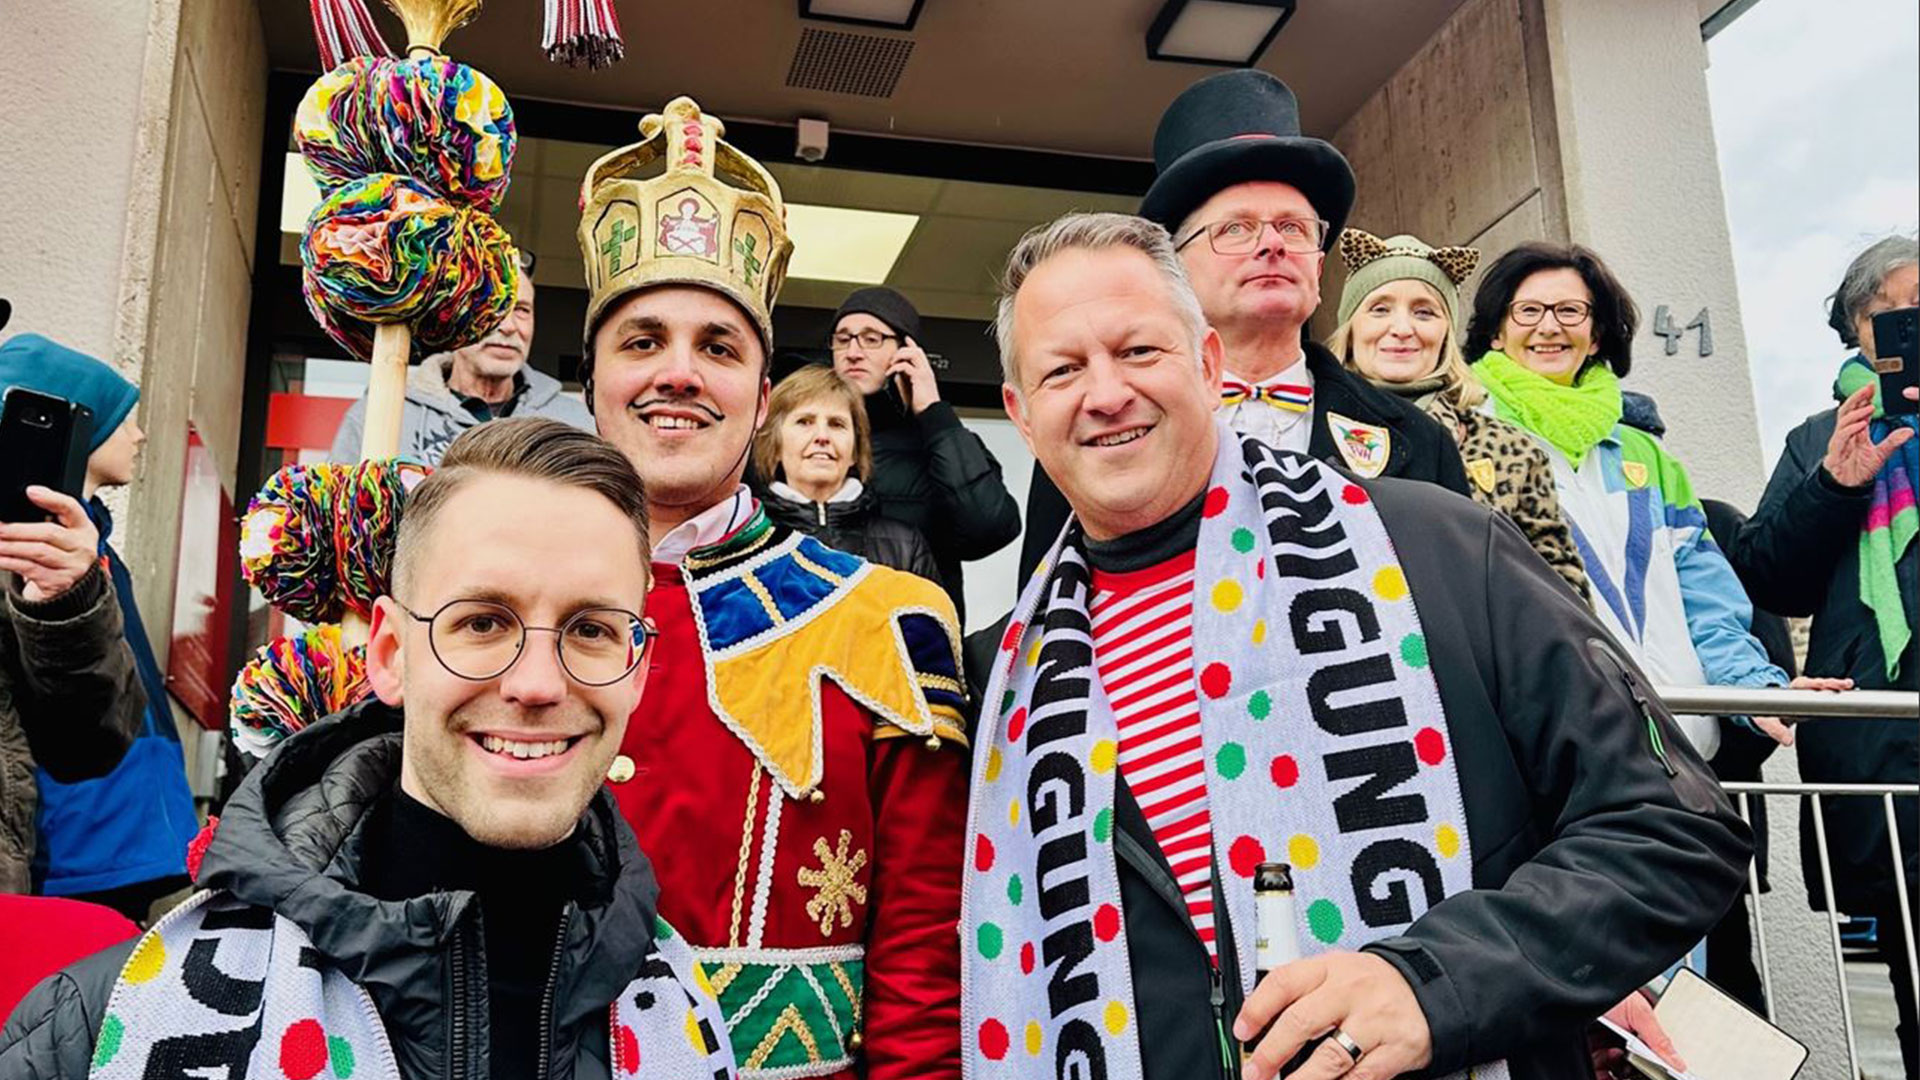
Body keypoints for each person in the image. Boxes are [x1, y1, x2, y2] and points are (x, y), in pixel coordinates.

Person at [965, 211, 1751, 1080]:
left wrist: (1439, 985)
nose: (1106, 393)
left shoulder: (1440, 550)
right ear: (1022, 417)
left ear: (1209, 365)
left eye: (1138, 351)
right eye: (1063, 369)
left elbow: (1674, 827)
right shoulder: (998, 681)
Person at [0, 418, 739, 1079]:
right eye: (482, 623)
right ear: (390, 654)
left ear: (636, 669)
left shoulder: (694, 1018)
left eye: (591, 629)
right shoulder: (99, 1022)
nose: (538, 684)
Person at [575, 97, 968, 1079]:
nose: (678, 374)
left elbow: (923, 957)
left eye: (718, 347)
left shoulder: (886, 622)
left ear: (761, 401)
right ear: (591, 385)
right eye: (641, 342)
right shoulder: (488, 613)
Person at [1018, 69, 1470, 582]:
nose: (1272, 244)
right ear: (1177, 271)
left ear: (1319, 267)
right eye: (1236, 228)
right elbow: (1049, 604)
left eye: (1293, 228)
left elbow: (1456, 602)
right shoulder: (1103, 428)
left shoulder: (1418, 438)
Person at [1463, 242, 1845, 765]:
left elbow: (1702, 590)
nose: (1549, 327)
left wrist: (1753, 687)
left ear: (1597, 335)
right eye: (1528, 311)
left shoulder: (1644, 453)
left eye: (1570, 311)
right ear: (1496, 332)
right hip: (1549, 755)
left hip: (1678, 745)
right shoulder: (1465, 442)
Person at [1726, 234, 1919, 1079]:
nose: (1908, 322)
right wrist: (1836, 485)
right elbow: (1771, 578)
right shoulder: (1819, 436)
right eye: (1888, 311)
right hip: (1883, 755)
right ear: (1856, 329)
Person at [0, 334, 197, 923]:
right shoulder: (22, 555)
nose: (139, 435)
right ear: (76, 422)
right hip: (81, 841)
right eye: (121, 419)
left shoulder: (93, 557)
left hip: (129, 821)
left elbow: (107, 710)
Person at [1328, 228, 1589, 599]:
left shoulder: (1513, 450)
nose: (1401, 329)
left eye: (1424, 312)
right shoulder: (1305, 426)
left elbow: (1563, 593)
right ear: (1351, 327)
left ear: (1446, 333)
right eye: (1380, 309)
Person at [829, 286, 1021, 620]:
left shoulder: (942, 437)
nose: (853, 352)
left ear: (907, 351)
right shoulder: (803, 438)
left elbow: (989, 530)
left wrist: (933, 412)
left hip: (916, 635)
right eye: (843, 339)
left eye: (871, 339)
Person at [329, 254, 594, 464]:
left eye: (522, 310)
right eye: (489, 307)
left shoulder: (577, 426)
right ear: (450, 320)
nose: (508, 326)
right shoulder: (379, 416)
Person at [751, 364, 941, 582]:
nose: (822, 436)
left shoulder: (906, 546)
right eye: (804, 422)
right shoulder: (747, 540)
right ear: (775, 446)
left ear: (855, 451)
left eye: (836, 424)